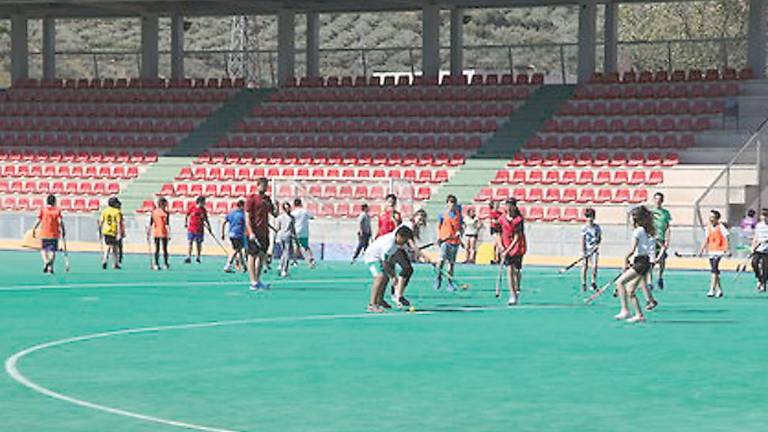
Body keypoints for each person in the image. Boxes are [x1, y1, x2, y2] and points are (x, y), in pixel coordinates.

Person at [614, 206, 657, 323]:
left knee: (619, 282)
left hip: (641, 262)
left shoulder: (637, 231)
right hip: (644, 262)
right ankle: (639, 315)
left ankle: (625, 310)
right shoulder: (645, 230)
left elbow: (633, 250)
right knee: (630, 289)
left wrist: (626, 258)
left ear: (636, 219)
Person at [363, 225, 414, 313]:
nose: (405, 243)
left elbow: (391, 259)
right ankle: (372, 305)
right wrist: (393, 276)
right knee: (380, 277)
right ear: (399, 236)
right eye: (404, 240)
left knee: (385, 277)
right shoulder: (389, 244)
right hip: (372, 257)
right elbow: (385, 262)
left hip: (381, 258)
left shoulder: (398, 242)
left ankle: (380, 300)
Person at [389, 209, 431, 308]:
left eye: (422, 219)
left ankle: (399, 294)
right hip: (394, 248)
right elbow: (411, 244)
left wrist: (417, 254)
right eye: (419, 218)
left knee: (408, 270)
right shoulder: (409, 225)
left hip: (400, 248)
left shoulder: (415, 228)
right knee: (406, 268)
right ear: (415, 216)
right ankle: (397, 295)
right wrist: (423, 256)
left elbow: (411, 245)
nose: (421, 221)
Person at [245, 177, 278, 291]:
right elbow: (247, 217)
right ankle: (252, 281)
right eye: (263, 185)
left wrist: (276, 207)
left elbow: (274, 214)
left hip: (264, 232)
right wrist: (250, 232)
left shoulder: (267, 199)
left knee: (262, 255)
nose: (265, 188)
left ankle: (258, 280)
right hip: (254, 232)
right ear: (258, 185)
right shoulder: (251, 198)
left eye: (266, 186)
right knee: (252, 255)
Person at [496, 198, 527, 306]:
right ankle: (512, 294)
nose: (508, 207)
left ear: (514, 207)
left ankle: (517, 289)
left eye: (510, 205)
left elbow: (517, 237)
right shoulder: (501, 219)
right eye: (506, 205)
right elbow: (498, 234)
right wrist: (501, 247)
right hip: (505, 246)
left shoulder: (519, 220)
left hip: (517, 247)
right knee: (509, 271)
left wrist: (508, 249)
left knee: (516, 271)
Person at [699, 209, 730, 298]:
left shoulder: (721, 227)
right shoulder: (708, 227)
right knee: (715, 270)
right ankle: (719, 289)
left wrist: (727, 249)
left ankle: (712, 289)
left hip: (719, 251)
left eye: (712, 217)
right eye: (710, 217)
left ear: (717, 218)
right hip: (711, 251)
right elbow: (706, 239)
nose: (710, 218)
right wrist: (702, 249)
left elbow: (727, 237)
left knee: (714, 270)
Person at [435, 195, 463, 291]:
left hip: (454, 242)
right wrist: (439, 237)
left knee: (451, 264)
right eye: (450, 202)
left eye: (453, 203)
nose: (452, 205)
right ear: (447, 203)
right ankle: (438, 278)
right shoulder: (442, 214)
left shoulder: (458, 215)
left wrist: (460, 233)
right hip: (444, 241)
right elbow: (438, 226)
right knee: (441, 261)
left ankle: (450, 283)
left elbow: (460, 228)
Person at [32, 194, 65, 274]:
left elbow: (38, 220)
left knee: (43, 250)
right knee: (52, 251)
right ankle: (50, 267)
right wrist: (63, 230)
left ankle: (46, 261)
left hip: (44, 233)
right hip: (54, 234)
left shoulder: (43, 210)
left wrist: (34, 228)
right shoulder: (57, 210)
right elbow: (60, 222)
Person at [651, 192, 672, 290]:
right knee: (651, 259)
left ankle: (660, 277)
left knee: (662, 259)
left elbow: (667, 227)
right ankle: (649, 281)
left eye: (660, 199)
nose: (658, 201)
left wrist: (667, 239)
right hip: (651, 239)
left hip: (661, 238)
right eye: (656, 199)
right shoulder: (650, 212)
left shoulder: (665, 213)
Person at [184, 196, 213, 264]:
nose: (204, 203)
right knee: (190, 242)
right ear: (199, 202)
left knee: (198, 243)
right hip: (191, 228)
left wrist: (209, 227)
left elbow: (206, 219)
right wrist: (185, 223)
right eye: (203, 202)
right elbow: (187, 215)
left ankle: (198, 257)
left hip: (199, 229)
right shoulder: (192, 208)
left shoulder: (203, 210)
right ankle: (188, 256)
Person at [221, 200, 247, 273]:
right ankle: (228, 265)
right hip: (238, 234)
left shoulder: (231, 213)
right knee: (236, 250)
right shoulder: (242, 214)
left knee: (239, 250)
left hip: (231, 234)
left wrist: (222, 233)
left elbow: (224, 222)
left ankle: (244, 266)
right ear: (241, 206)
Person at [99, 197, 124, 270]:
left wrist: (100, 230)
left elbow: (101, 221)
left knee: (107, 246)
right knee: (115, 248)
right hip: (113, 231)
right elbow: (118, 223)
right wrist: (119, 233)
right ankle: (115, 263)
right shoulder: (117, 212)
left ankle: (104, 259)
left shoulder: (105, 211)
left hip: (106, 230)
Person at [291, 198, 317, 268]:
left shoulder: (293, 213)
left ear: (294, 204)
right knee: (305, 246)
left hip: (296, 231)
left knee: (295, 246)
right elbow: (312, 217)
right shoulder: (305, 211)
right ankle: (311, 259)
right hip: (304, 232)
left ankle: (295, 261)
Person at [580, 208, 602, 292]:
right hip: (586, 250)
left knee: (595, 266)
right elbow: (582, 240)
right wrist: (583, 251)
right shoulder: (584, 228)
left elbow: (599, 238)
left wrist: (597, 245)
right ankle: (583, 283)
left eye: (591, 217)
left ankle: (593, 283)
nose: (590, 219)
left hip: (594, 250)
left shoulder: (597, 227)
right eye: (588, 217)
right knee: (584, 266)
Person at [147, 197, 171, 270]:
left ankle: (164, 263)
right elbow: (151, 223)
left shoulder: (164, 213)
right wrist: (149, 231)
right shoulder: (156, 212)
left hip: (163, 232)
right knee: (158, 249)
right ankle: (158, 263)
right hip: (158, 232)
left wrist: (169, 233)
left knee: (164, 249)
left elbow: (167, 224)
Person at [275, 202, 297, 278]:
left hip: (281, 235)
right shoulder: (291, 218)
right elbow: (292, 228)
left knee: (284, 252)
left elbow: (277, 228)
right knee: (287, 253)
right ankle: (284, 270)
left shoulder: (281, 217)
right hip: (286, 236)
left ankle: (280, 266)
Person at [751, 208, 768, 292]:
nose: (765, 217)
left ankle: (763, 283)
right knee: (754, 263)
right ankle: (759, 278)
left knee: (765, 268)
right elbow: (755, 236)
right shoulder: (759, 225)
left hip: (766, 250)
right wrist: (753, 246)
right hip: (758, 248)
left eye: (766, 216)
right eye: (763, 215)